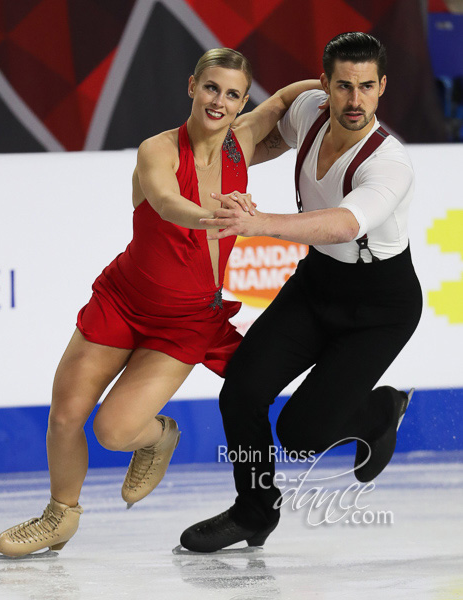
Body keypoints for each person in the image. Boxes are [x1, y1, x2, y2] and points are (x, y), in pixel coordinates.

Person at [0, 48, 323, 558]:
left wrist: (333, 84)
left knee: (113, 429)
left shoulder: (243, 142)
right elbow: (167, 203)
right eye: (211, 87)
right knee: (64, 416)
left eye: (232, 94)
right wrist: (220, 216)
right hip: (124, 301)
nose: (220, 101)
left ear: (241, 103)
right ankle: (59, 516)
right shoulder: (158, 150)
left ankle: (156, 437)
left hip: (187, 321)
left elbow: (281, 100)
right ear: (192, 86)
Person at [180, 32, 423, 553]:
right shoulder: (311, 108)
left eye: (365, 87)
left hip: (380, 306)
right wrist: (236, 142)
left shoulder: (389, 163)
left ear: (382, 87)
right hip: (318, 284)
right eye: (342, 86)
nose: (354, 101)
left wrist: (257, 221)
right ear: (326, 85)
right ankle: (254, 512)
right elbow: (287, 102)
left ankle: (377, 413)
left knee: (300, 434)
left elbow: (341, 225)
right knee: (241, 390)